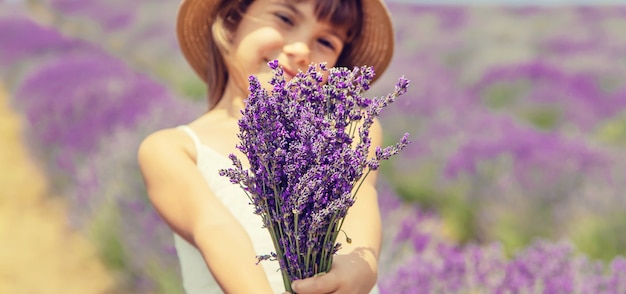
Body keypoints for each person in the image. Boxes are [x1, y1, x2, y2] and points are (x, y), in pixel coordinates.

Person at [138, 0, 395, 293]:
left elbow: (359, 201)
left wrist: (362, 267)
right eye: (285, 18)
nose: (301, 50)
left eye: (325, 41)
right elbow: (216, 231)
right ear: (230, 23)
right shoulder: (172, 149)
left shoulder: (346, 131)